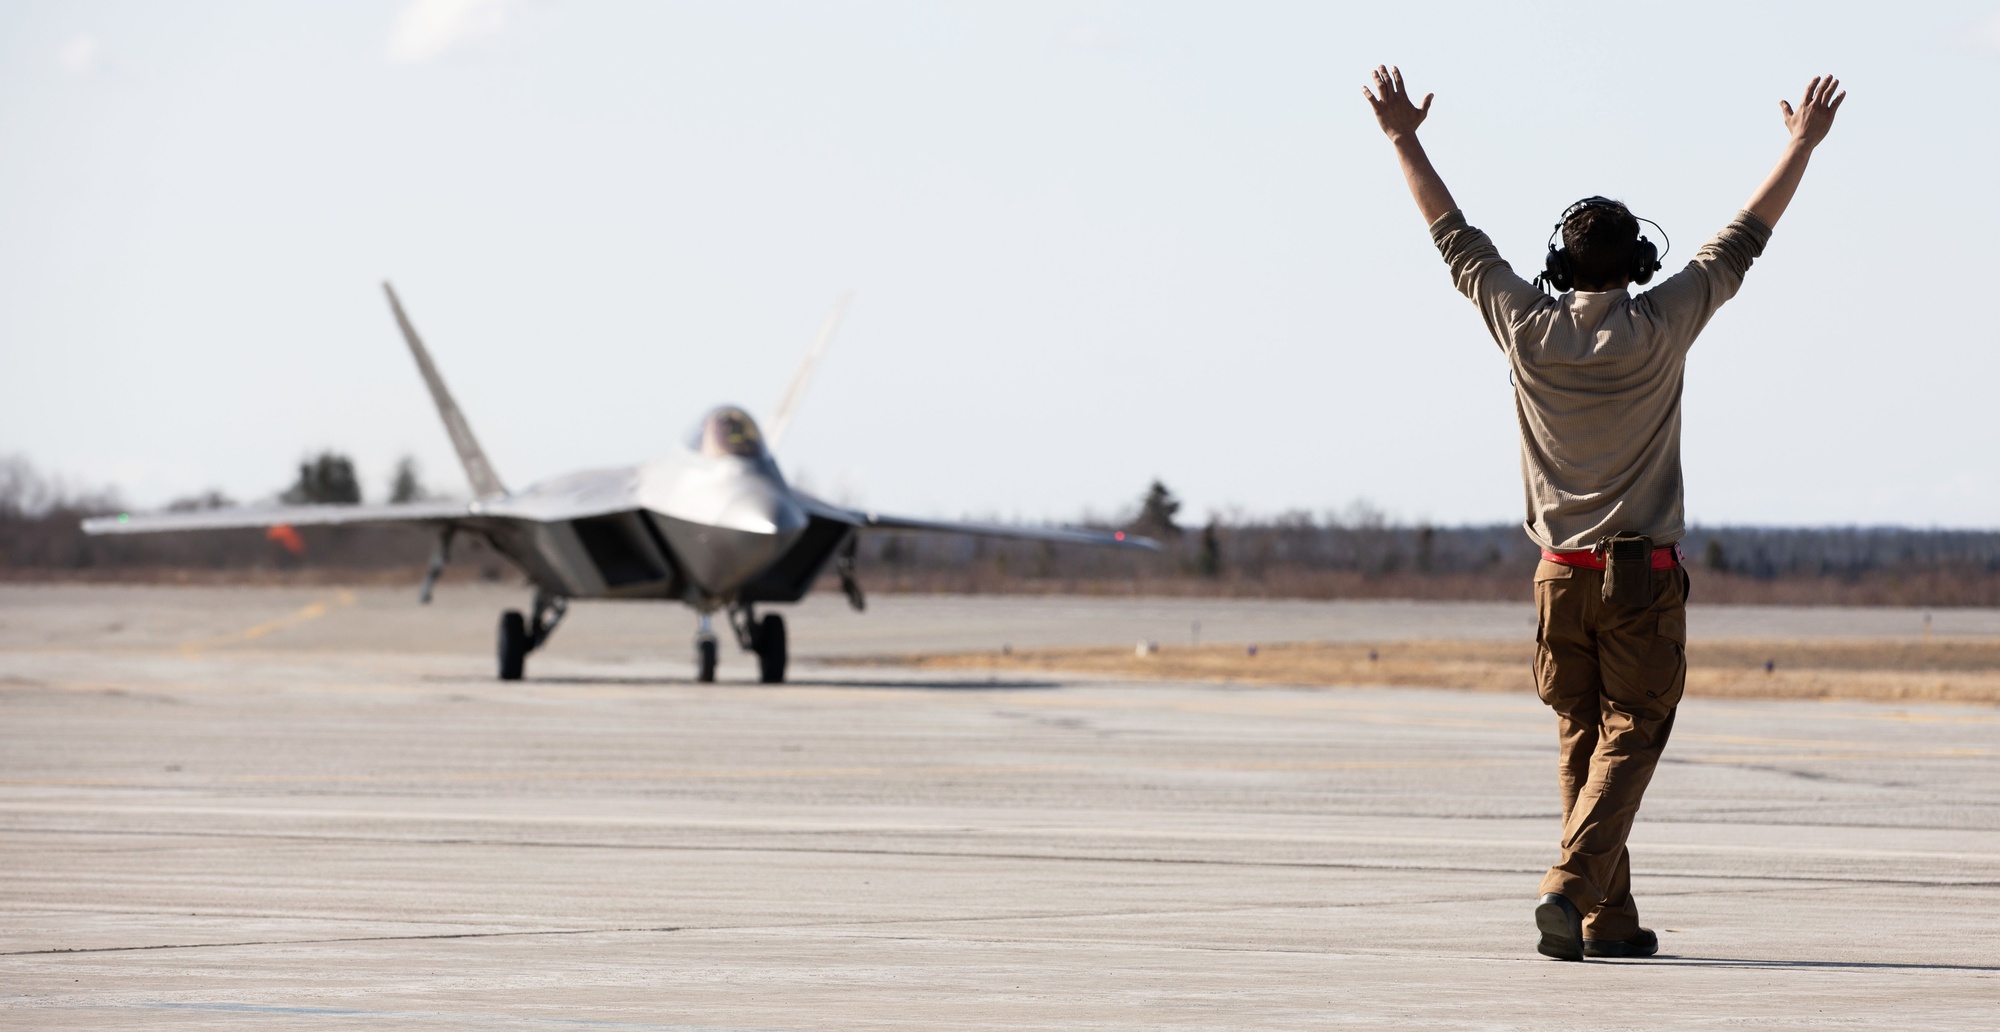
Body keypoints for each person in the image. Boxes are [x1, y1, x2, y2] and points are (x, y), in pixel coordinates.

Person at [1362, 66, 1844, 961]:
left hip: (1557, 579)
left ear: (1558, 262)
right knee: (1636, 732)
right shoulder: (1662, 323)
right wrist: (1800, 146)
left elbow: (1452, 238)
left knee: (1583, 740)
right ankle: (1572, 884)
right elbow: (1745, 238)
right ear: (1639, 264)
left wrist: (1403, 137)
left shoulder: (1524, 325)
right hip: (1640, 582)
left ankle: (1605, 922)